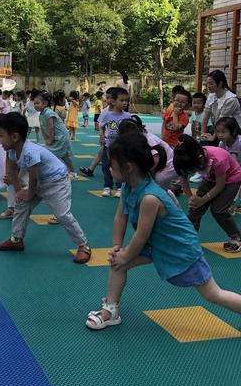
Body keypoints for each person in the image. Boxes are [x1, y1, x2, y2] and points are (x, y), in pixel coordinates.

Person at [85, 133, 241, 330]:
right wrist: (118, 247)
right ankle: (111, 310)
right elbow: (120, 217)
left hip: (180, 247)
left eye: (112, 165)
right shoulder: (127, 187)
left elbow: (141, 235)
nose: (108, 167)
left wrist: (126, 256)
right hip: (154, 242)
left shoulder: (150, 197)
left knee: (212, 294)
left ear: (128, 168)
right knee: (118, 264)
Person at [0, 113, 92, 264]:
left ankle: (83, 245)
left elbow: (34, 180)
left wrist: (28, 194)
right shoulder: (12, 150)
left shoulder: (29, 152)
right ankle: (16, 239)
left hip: (57, 181)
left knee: (62, 214)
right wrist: (20, 192)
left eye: (0, 135)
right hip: (39, 182)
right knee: (21, 205)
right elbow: (12, 171)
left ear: (14, 137)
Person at [174, 135, 241, 253]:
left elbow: (220, 186)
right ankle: (189, 238)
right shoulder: (184, 157)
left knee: (218, 210)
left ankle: (236, 237)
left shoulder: (218, 159)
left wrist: (203, 200)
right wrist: (192, 199)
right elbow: (182, 177)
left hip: (231, 179)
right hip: (211, 178)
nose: (193, 172)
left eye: (193, 170)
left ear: (200, 159)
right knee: (194, 209)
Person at [118, 116, 178, 190]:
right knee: (161, 188)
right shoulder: (140, 137)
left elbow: (155, 160)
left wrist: (149, 175)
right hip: (164, 165)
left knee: (155, 186)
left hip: (169, 166)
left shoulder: (149, 140)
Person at [36, 92, 77, 179]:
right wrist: (47, 140)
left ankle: (58, 172)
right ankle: (72, 172)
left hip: (60, 137)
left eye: (38, 103)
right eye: (34, 103)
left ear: (45, 104)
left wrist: (50, 140)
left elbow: (51, 127)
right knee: (64, 155)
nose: (35, 105)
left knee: (51, 154)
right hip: (57, 136)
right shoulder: (42, 114)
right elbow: (44, 128)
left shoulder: (48, 113)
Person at [99, 87, 131, 197]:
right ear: (113, 101)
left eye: (126, 100)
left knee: (119, 167)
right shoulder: (107, 115)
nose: (124, 103)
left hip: (121, 148)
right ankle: (107, 186)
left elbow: (129, 130)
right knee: (106, 166)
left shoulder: (127, 116)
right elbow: (102, 126)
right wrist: (102, 136)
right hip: (108, 146)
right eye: (121, 100)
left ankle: (119, 187)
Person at [80, 88, 116, 177]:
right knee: (102, 152)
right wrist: (102, 136)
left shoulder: (123, 113)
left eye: (111, 98)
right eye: (107, 98)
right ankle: (91, 169)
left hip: (118, 140)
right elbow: (102, 125)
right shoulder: (106, 111)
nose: (108, 100)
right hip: (110, 139)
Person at [202, 70, 241, 142]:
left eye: (211, 83)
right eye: (207, 83)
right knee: (203, 141)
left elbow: (221, 120)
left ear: (220, 84)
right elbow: (206, 115)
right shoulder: (211, 95)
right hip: (220, 128)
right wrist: (203, 134)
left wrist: (213, 138)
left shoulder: (230, 99)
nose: (208, 86)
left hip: (232, 130)